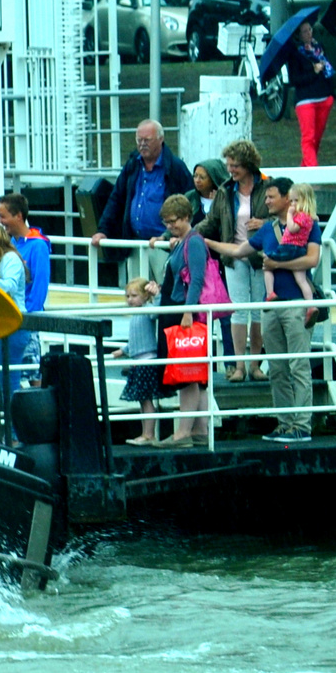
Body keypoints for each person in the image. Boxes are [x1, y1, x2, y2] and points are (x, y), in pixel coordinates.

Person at [212, 180, 321, 443]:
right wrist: (205, 241)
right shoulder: (269, 230)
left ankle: (302, 425)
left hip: (295, 305)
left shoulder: (309, 224)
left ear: (287, 198)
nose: (267, 201)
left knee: (298, 366)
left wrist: (275, 263)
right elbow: (239, 250)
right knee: (278, 368)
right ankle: (285, 424)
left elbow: (312, 259)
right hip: (271, 306)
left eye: (272, 197)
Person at [91, 119, 195, 286]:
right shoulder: (132, 165)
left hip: (164, 245)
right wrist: (103, 230)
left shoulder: (175, 167)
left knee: (167, 292)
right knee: (137, 294)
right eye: (139, 140)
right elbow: (116, 198)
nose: (142, 144)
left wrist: (178, 236)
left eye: (147, 140)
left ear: (161, 139)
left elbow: (190, 202)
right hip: (135, 243)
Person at [199, 140, 270, 383]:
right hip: (233, 255)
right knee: (239, 311)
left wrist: (265, 224)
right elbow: (211, 222)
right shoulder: (225, 191)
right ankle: (239, 365)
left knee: (258, 311)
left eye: (236, 165)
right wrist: (184, 235)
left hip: (260, 255)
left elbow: (284, 213)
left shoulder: (268, 185)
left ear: (249, 165)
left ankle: (255, 365)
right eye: (229, 165)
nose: (231, 170)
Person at [154, 193, 211, 449]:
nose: (170, 226)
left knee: (187, 373)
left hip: (183, 311)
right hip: (179, 308)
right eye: (166, 222)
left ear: (187, 217)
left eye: (174, 220)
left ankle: (183, 433)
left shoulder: (194, 242)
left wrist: (188, 311)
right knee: (195, 374)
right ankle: (199, 430)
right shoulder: (184, 241)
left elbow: (197, 278)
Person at [0, 192, 49, 388]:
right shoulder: (11, 244)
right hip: (11, 316)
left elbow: (40, 286)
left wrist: (30, 318)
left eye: (3, 216)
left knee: (32, 369)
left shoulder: (38, 246)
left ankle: (38, 413)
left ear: (18, 216)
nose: (0, 221)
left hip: (26, 318)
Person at [111, 277, 169, 445]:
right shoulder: (135, 315)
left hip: (147, 360)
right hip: (138, 361)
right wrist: (123, 351)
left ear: (145, 296)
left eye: (134, 296)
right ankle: (145, 433)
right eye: (128, 296)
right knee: (142, 399)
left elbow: (156, 312)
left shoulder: (147, 310)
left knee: (146, 398)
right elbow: (134, 340)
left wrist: (157, 296)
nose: (130, 300)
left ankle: (149, 434)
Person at [287, 20, 336, 166]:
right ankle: (314, 174)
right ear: (299, 35)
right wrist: (314, 72)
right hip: (305, 100)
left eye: (310, 30)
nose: (309, 33)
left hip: (324, 97)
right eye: (305, 31)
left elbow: (328, 71)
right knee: (308, 138)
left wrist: (331, 95)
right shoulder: (295, 54)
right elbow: (295, 80)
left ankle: (305, 170)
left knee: (316, 139)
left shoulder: (319, 48)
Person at [264, 183, 319, 313]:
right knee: (301, 280)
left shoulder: (301, 216)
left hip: (290, 247)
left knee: (267, 263)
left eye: (296, 200)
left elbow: (292, 228)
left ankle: (270, 293)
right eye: (292, 200)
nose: (292, 204)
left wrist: (289, 215)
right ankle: (310, 306)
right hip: (300, 249)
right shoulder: (311, 218)